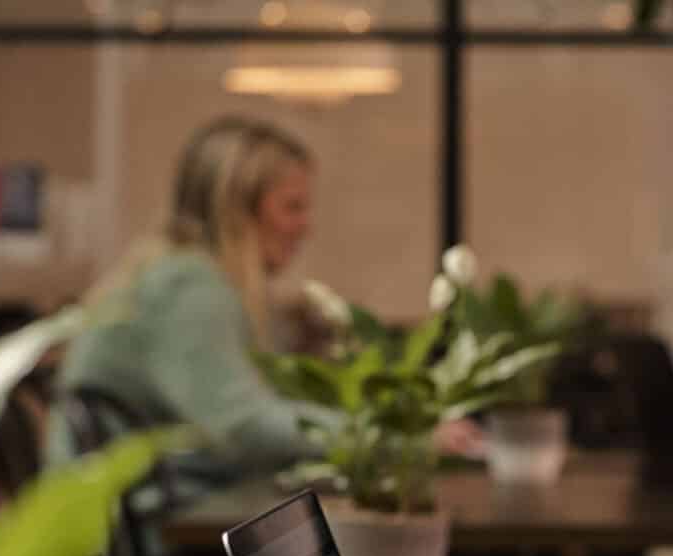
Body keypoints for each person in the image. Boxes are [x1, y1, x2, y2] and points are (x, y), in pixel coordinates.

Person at [51, 116, 471, 500]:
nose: (306, 225)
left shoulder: (178, 272)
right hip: (133, 533)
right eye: (292, 206)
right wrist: (395, 440)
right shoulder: (190, 288)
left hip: (153, 503)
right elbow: (244, 427)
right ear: (236, 208)